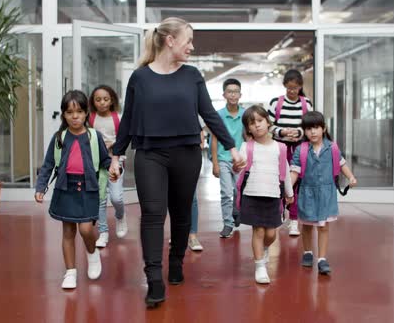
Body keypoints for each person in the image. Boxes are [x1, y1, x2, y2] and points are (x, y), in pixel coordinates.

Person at [108, 17, 243, 308]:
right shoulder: (140, 78)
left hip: (186, 153)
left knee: (181, 214)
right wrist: (116, 156)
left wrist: (231, 147)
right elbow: (128, 120)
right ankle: (154, 277)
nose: (192, 47)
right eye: (188, 40)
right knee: (153, 213)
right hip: (150, 154)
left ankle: (177, 260)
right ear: (170, 40)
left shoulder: (192, 75)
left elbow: (209, 115)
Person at [35, 90, 116, 289]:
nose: (75, 116)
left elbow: (105, 160)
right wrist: (41, 187)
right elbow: (48, 165)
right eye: (70, 112)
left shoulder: (94, 136)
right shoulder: (59, 138)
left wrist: (114, 168)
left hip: (88, 190)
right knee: (68, 232)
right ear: (64, 114)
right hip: (66, 189)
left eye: (79, 112)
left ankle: (92, 253)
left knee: (87, 229)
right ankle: (70, 272)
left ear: (86, 113)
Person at [289, 111, 357, 275]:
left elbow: (342, 164)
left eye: (316, 128)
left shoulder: (332, 147)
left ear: (323, 128)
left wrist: (351, 177)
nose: (313, 132)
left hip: (327, 193)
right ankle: (307, 252)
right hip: (307, 193)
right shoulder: (301, 150)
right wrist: (287, 189)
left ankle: (322, 258)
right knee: (306, 226)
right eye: (308, 129)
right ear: (304, 131)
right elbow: (294, 172)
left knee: (323, 227)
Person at [237, 105, 293, 284]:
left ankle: (266, 248)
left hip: (273, 195)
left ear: (268, 122)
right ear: (248, 128)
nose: (257, 126)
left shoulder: (280, 147)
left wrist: (289, 193)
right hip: (252, 194)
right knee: (258, 231)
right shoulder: (247, 147)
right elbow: (239, 170)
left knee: (271, 234)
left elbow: (285, 172)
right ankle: (260, 266)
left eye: (260, 121)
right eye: (252, 123)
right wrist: (236, 166)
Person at [267, 69, 313, 236]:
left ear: (300, 86)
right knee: (280, 182)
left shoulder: (306, 103)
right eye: (289, 88)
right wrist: (282, 132)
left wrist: (298, 133)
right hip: (280, 149)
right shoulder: (275, 103)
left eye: (295, 88)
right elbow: (269, 126)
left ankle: (294, 220)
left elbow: (309, 126)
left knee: (296, 184)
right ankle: (279, 215)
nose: (292, 91)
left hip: (299, 149)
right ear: (284, 86)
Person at [88, 85, 127, 248]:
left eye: (106, 99)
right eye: (98, 100)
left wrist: (113, 146)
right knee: (100, 200)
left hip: (114, 162)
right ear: (93, 102)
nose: (102, 103)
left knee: (116, 197)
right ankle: (103, 232)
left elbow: (124, 140)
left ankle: (120, 215)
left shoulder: (118, 118)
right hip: (96, 165)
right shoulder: (90, 119)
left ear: (112, 101)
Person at [211, 78, 245, 238]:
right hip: (223, 158)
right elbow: (215, 139)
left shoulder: (245, 114)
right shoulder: (218, 115)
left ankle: (236, 210)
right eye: (230, 91)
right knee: (226, 192)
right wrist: (215, 164)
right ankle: (227, 223)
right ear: (224, 94)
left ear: (240, 94)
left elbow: (248, 137)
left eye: (236, 92)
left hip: (241, 160)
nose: (233, 95)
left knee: (239, 190)